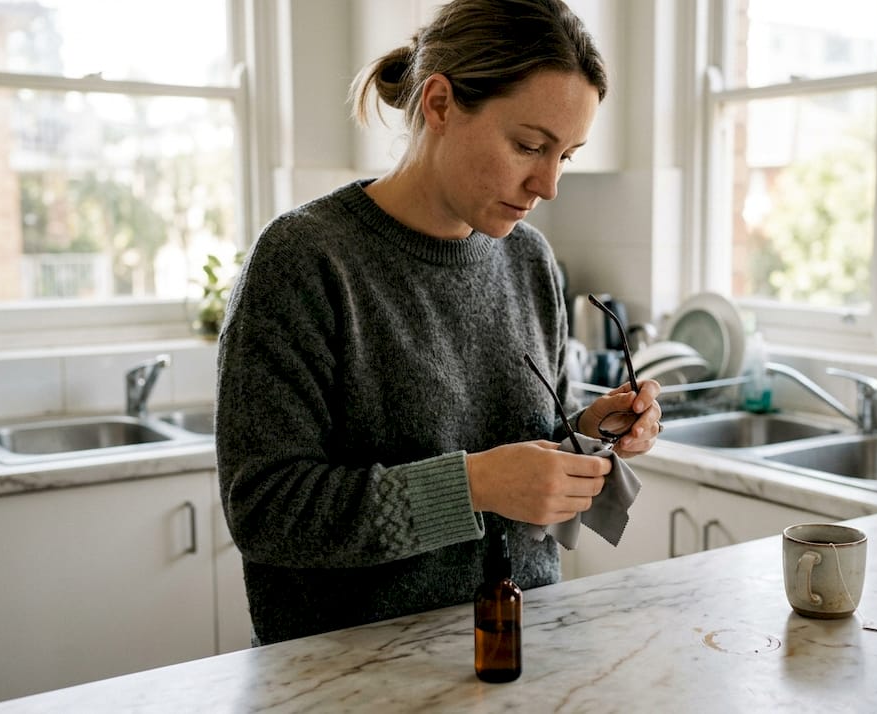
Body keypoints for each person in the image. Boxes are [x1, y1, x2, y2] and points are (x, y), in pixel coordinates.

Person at [216, 0, 664, 646]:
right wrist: (476, 484)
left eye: (565, 155)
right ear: (440, 104)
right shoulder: (305, 261)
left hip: (523, 652)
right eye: (529, 145)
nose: (548, 185)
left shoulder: (530, 259)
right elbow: (267, 511)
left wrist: (588, 436)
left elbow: (527, 443)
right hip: (349, 678)